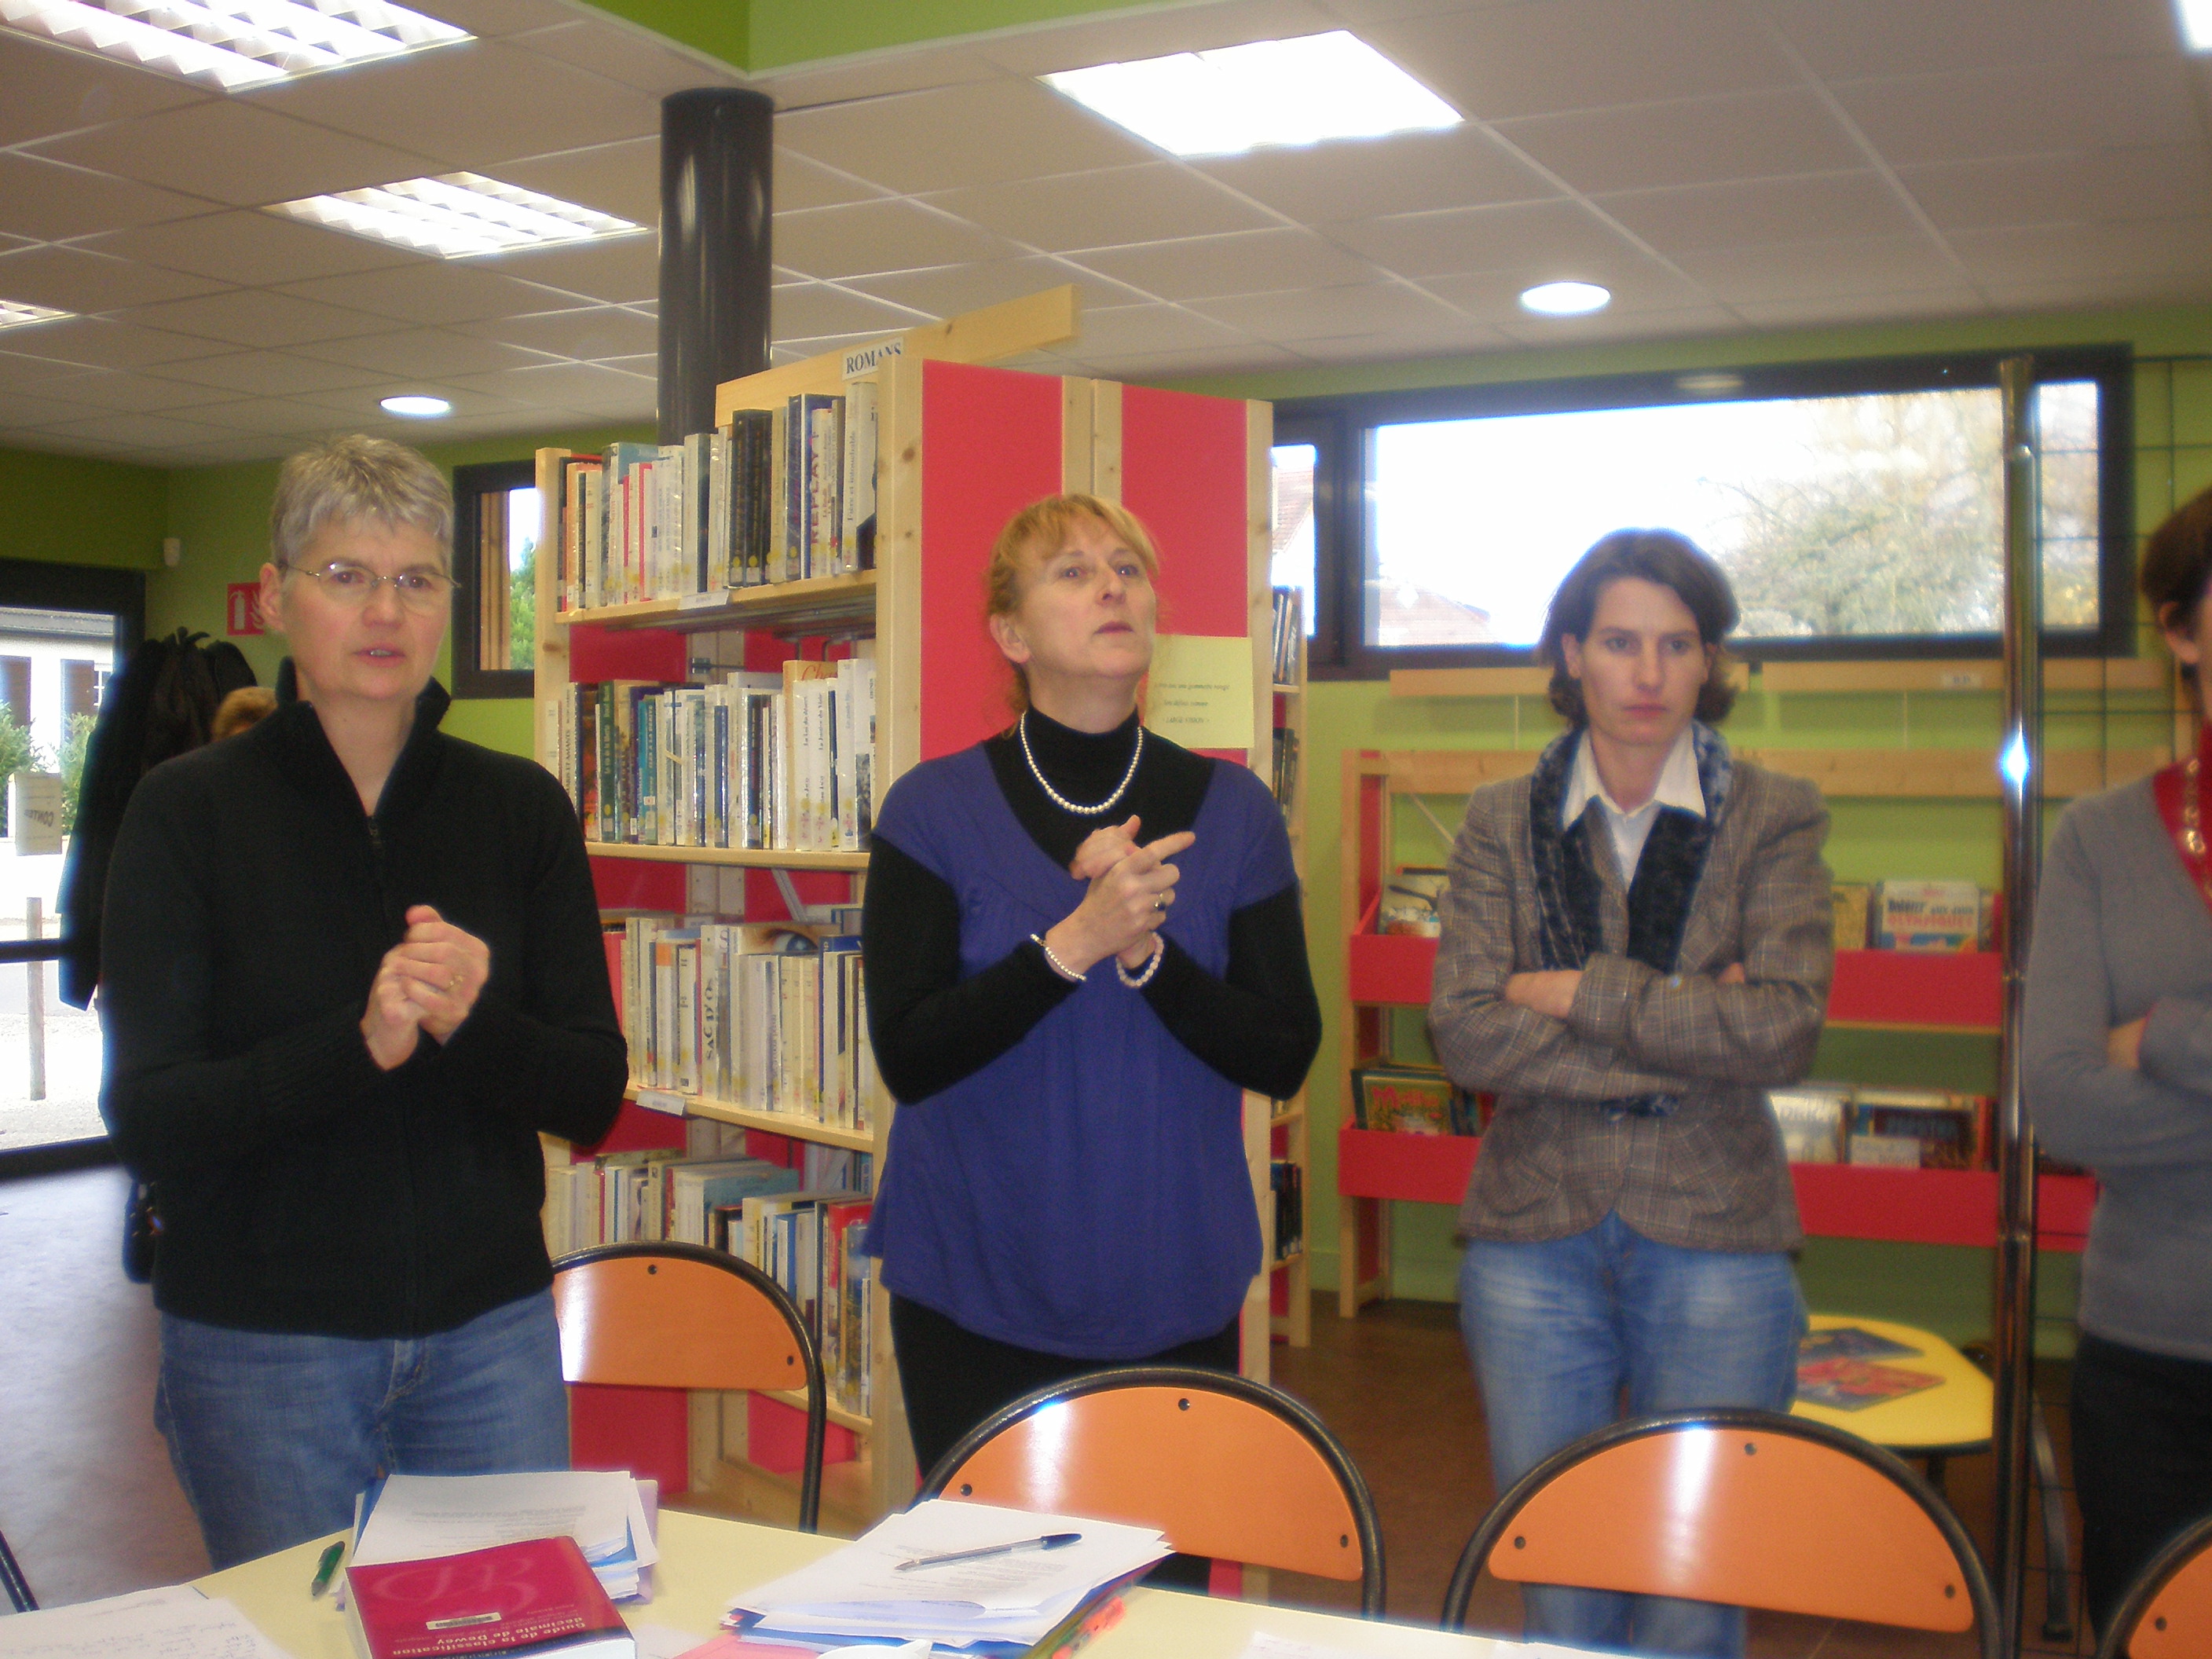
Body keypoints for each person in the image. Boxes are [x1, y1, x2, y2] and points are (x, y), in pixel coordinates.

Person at [99, 435, 626, 1569]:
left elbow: (592, 1093)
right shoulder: (185, 813)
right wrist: (360, 1045)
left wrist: (471, 1026)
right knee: (302, 1640)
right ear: (278, 596)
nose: (385, 609)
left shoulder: (520, 808)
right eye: (346, 575)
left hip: (489, 1337)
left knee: (503, 1633)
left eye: (416, 578)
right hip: (262, 1347)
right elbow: (150, 1117)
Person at [859, 491, 1321, 1484]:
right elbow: (910, 1054)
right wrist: (1073, 943)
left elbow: (1284, 1050)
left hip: (1174, 1287)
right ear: (1010, 634)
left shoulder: (1236, 811)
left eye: (1127, 568)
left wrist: (1148, 957)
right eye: (1072, 572)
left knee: (1168, 1578)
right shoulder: (930, 810)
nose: (1111, 586)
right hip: (975, 1286)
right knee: (988, 1576)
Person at [1429, 529, 1833, 1659]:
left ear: (1710, 661)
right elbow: (1465, 1032)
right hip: (1531, 1234)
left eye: (1676, 644)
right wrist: (1694, 1021)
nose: (1648, 673)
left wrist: (1570, 993)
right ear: (1572, 655)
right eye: (1619, 643)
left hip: (1717, 1230)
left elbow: (1784, 1030)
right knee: (1556, 1574)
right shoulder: (1499, 818)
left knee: (1695, 1585)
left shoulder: (1774, 813)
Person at [2026, 483, 2212, 1638]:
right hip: (2149, 1356)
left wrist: (2165, 1039)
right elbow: (2060, 1100)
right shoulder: (2096, 837)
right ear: (2180, 631)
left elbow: (2112, 1080)